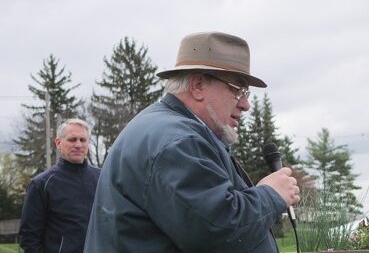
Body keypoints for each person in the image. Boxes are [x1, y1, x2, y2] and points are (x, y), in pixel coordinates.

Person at [84, 32, 299, 252]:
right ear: (197, 86)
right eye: (237, 90)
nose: (245, 104)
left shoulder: (173, 132)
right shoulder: (177, 142)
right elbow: (217, 229)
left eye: (246, 93)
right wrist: (271, 195)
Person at [18, 118, 101, 253]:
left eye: (83, 140)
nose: (78, 145)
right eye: (72, 139)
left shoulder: (101, 178)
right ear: (58, 143)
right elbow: (29, 238)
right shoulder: (42, 184)